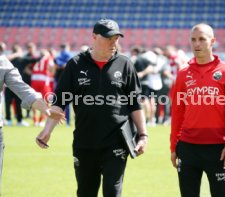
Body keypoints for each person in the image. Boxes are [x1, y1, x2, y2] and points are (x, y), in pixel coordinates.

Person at [36, 19, 148, 197]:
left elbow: (135, 103)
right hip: (85, 141)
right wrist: (47, 129)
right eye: (108, 38)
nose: (113, 42)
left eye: (116, 38)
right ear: (94, 37)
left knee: (113, 191)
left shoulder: (125, 64)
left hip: (117, 140)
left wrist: (143, 135)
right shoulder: (75, 64)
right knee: (86, 192)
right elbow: (60, 102)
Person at [170, 23, 225, 197]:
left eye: (202, 39)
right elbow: (177, 112)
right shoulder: (183, 73)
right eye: (193, 40)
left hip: (218, 150)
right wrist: (173, 146)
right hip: (188, 148)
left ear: (212, 41)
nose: (197, 44)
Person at [0, 55, 65, 192]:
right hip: (42, 80)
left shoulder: (2, 61)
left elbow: (23, 90)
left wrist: (45, 109)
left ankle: (36, 120)